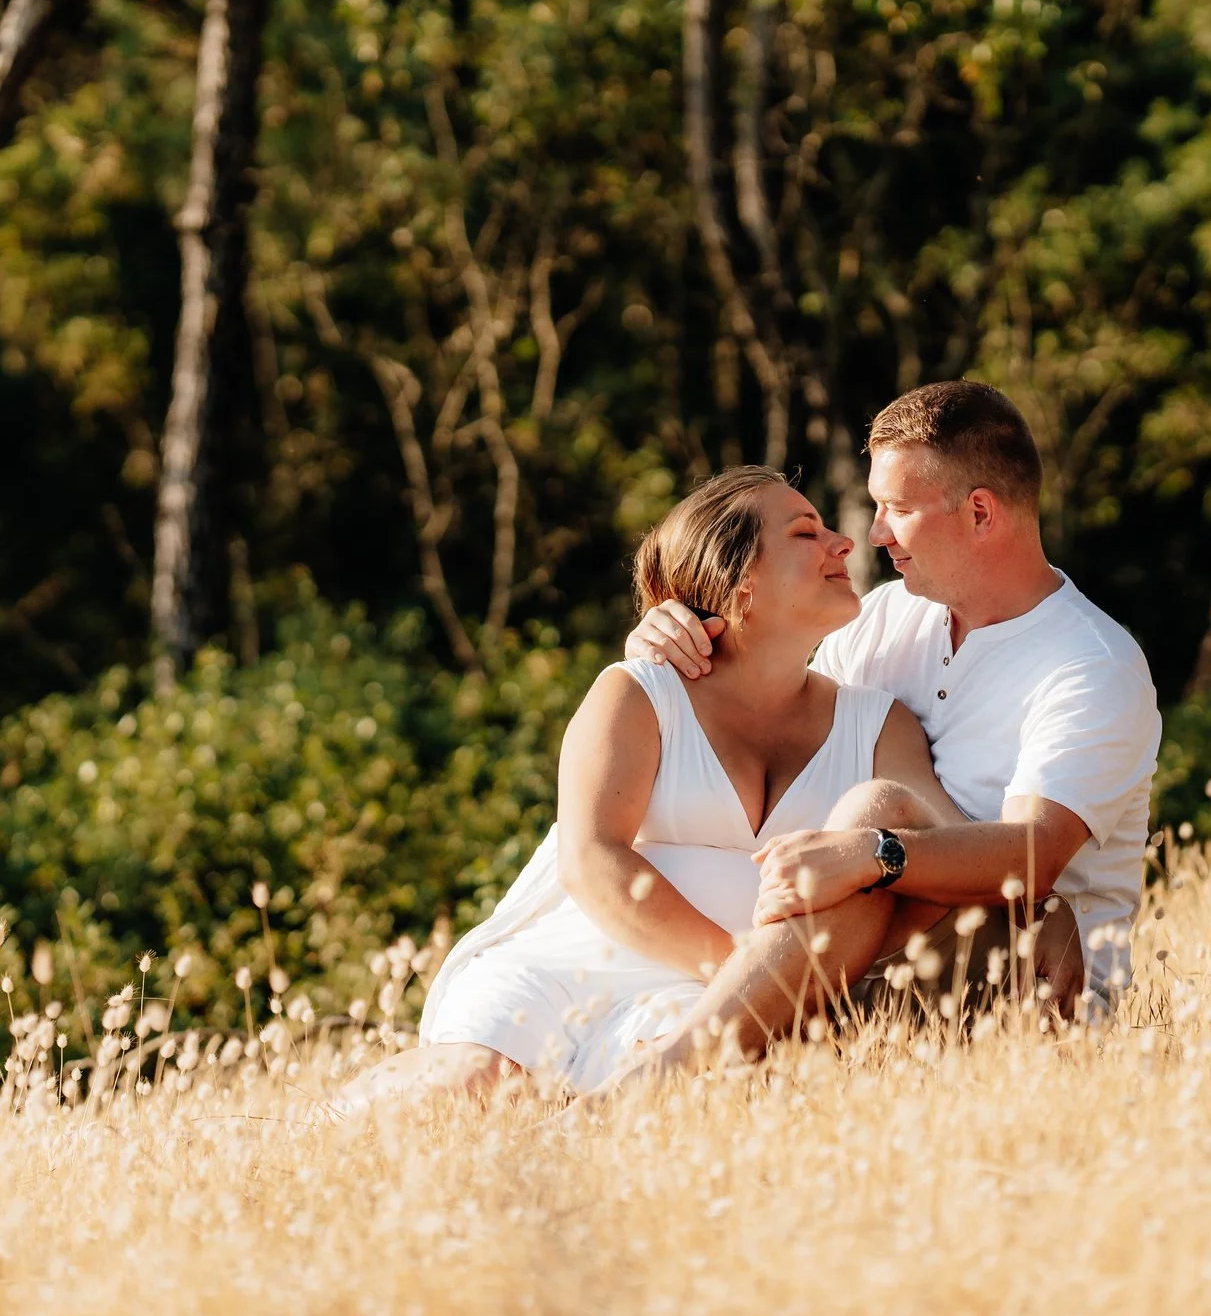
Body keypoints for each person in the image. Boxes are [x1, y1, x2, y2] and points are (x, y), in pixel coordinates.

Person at [337, 466, 955, 1109]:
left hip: (701, 1009)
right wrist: (747, 974)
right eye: (806, 532)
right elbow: (592, 859)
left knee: (688, 1109)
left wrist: (1050, 907)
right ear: (735, 574)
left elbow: (954, 853)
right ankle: (316, 1124)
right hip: (573, 964)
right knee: (473, 1089)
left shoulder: (878, 726)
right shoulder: (639, 692)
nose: (843, 543)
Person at [624, 381, 1162, 1039]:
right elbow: (780, 731)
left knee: (875, 806)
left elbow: (1033, 852)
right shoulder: (887, 617)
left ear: (981, 513)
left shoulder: (1089, 664)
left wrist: (875, 854)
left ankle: (685, 1062)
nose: (873, 533)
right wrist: (674, 646)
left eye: (895, 508)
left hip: (1016, 983)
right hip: (854, 951)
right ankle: (690, 1051)